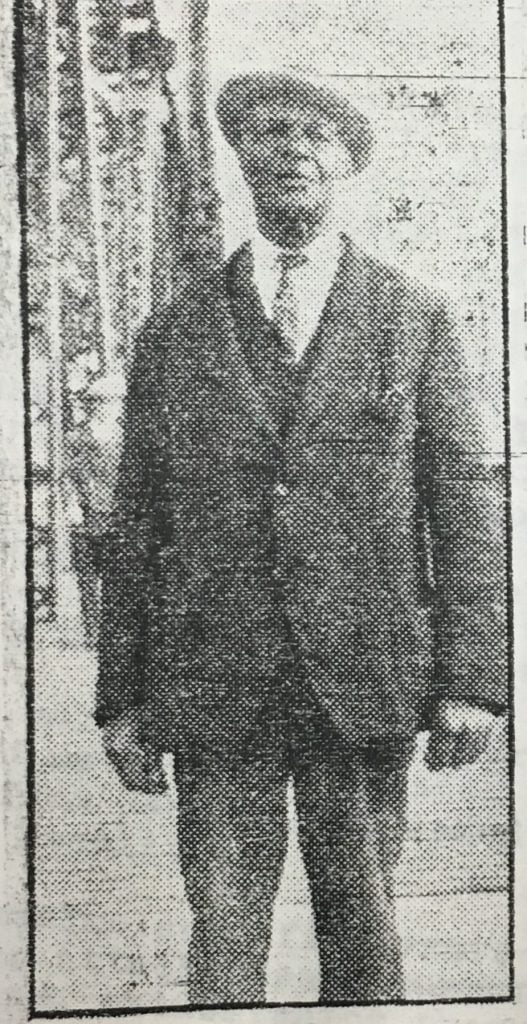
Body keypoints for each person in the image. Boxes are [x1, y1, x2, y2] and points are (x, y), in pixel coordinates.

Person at [95, 73, 507, 1005]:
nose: (293, 150)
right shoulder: (174, 336)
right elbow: (135, 532)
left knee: (363, 925)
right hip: (211, 681)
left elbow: (465, 507)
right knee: (223, 934)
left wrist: (474, 682)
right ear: (241, 159)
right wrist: (121, 698)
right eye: (271, 133)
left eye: (317, 136)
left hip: (360, 677)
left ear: (346, 165)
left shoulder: (414, 319)